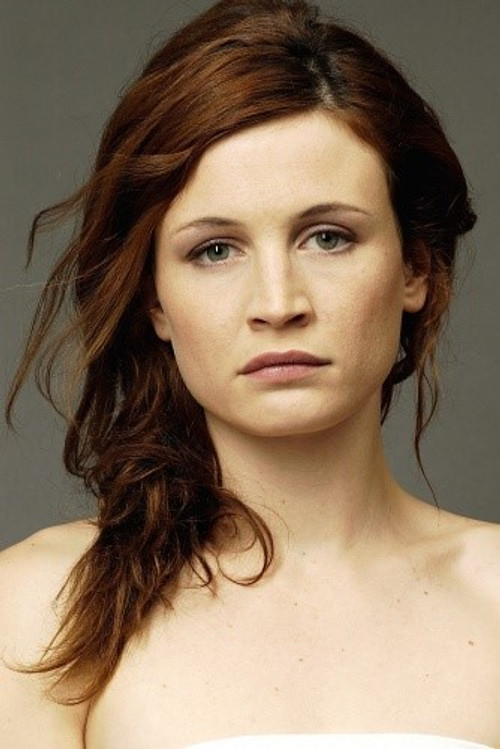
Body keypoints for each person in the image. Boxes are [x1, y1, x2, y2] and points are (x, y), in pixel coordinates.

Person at [1, 0, 499, 746]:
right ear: (155, 300)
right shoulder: (39, 612)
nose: (277, 303)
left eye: (327, 237)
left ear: (414, 268)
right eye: (214, 251)